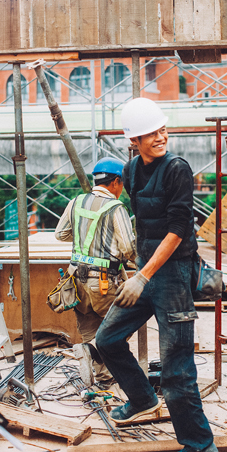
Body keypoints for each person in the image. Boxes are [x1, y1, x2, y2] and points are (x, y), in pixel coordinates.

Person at [95, 98, 217, 452]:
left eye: (163, 130)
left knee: (177, 372)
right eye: (152, 134)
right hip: (146, 272)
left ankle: (200, 446)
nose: (161, 137)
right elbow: (143, 221)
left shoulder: (177, 169)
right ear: (134, 140)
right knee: (107, 340)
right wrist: (135, 269)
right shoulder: (131, 170)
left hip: (174, 277)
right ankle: (143, 400)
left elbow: (178, 229)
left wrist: (142, 277)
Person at [54, 157, 136, 388]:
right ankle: (91, 351)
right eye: (122, 184)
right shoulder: (116, 208)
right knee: (125, 322)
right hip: (103, 280)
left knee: (90, 329)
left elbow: (61, 235)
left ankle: (103, 380)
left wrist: (85, 237)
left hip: (75, 280)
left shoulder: (76, 201)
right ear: (116, 181)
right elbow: (128, 248)